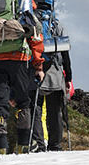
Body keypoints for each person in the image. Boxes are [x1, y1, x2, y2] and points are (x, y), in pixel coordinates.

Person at [0, 7, 44, 155]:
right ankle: (24, 144)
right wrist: (38, 66)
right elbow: (36, 38)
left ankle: (0, 146)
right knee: (23, 102)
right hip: (19, 59)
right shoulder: (25, 7)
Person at [31, 18, 72, 152]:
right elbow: (65, 52)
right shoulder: (55, 23)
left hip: (34, 71)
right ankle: (55, 145)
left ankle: (38, 145)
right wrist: (68, 77)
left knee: (35, 111)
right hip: (55, 72)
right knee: (55, 111)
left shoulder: (29, 20)